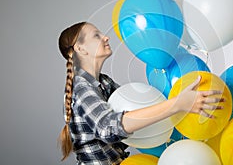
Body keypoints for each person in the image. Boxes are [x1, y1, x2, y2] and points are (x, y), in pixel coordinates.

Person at [58, 21, 224, 164]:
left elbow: (139, 111)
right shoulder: (81, 88)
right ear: (80, 48)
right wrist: (178, 104)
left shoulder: (105, 82)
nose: (105, 37)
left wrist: (185, 103)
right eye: (96, 35)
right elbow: (108, 128)